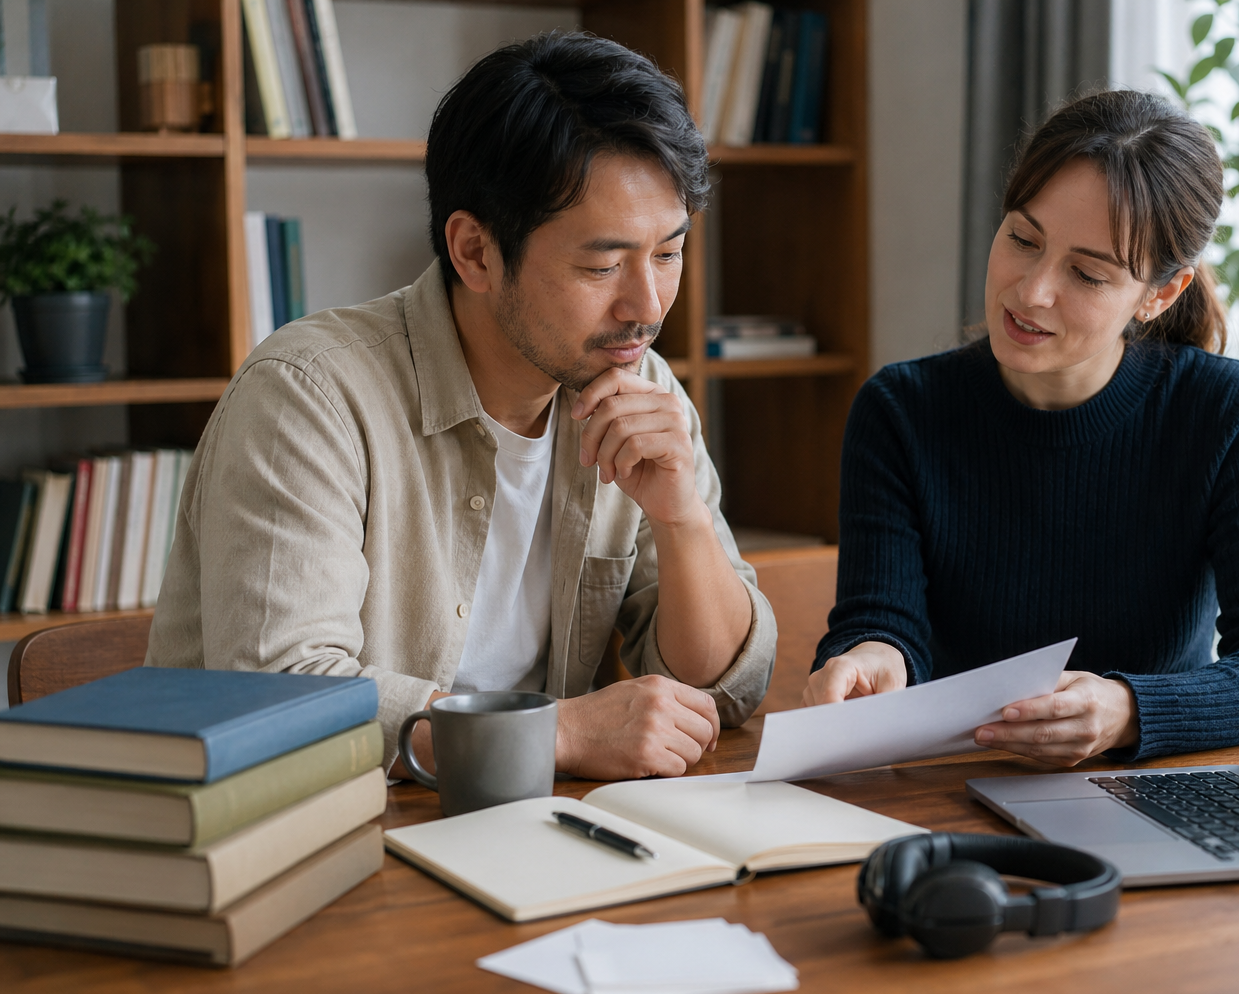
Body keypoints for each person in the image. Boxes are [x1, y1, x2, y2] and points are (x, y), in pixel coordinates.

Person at [146, 32, 776, 780]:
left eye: (668, 254)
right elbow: (281, 693)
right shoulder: (308, 395)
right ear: (475, 251)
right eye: (603, 265)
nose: (647, 306)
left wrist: (684, 522)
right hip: (312, 843)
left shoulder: (643, 389)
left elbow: (717, 692)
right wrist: (555, 735)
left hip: (521, 837)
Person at [804, 90, 1239, 767]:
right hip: (954, 789)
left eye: (1087, 274)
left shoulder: (1231, 412)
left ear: (1159, 294)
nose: (1031, 290)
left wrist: (1128, 711)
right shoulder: (901, 410)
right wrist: (871, 658)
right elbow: (882, 621)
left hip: (1154, 794)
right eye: (1022, 238)